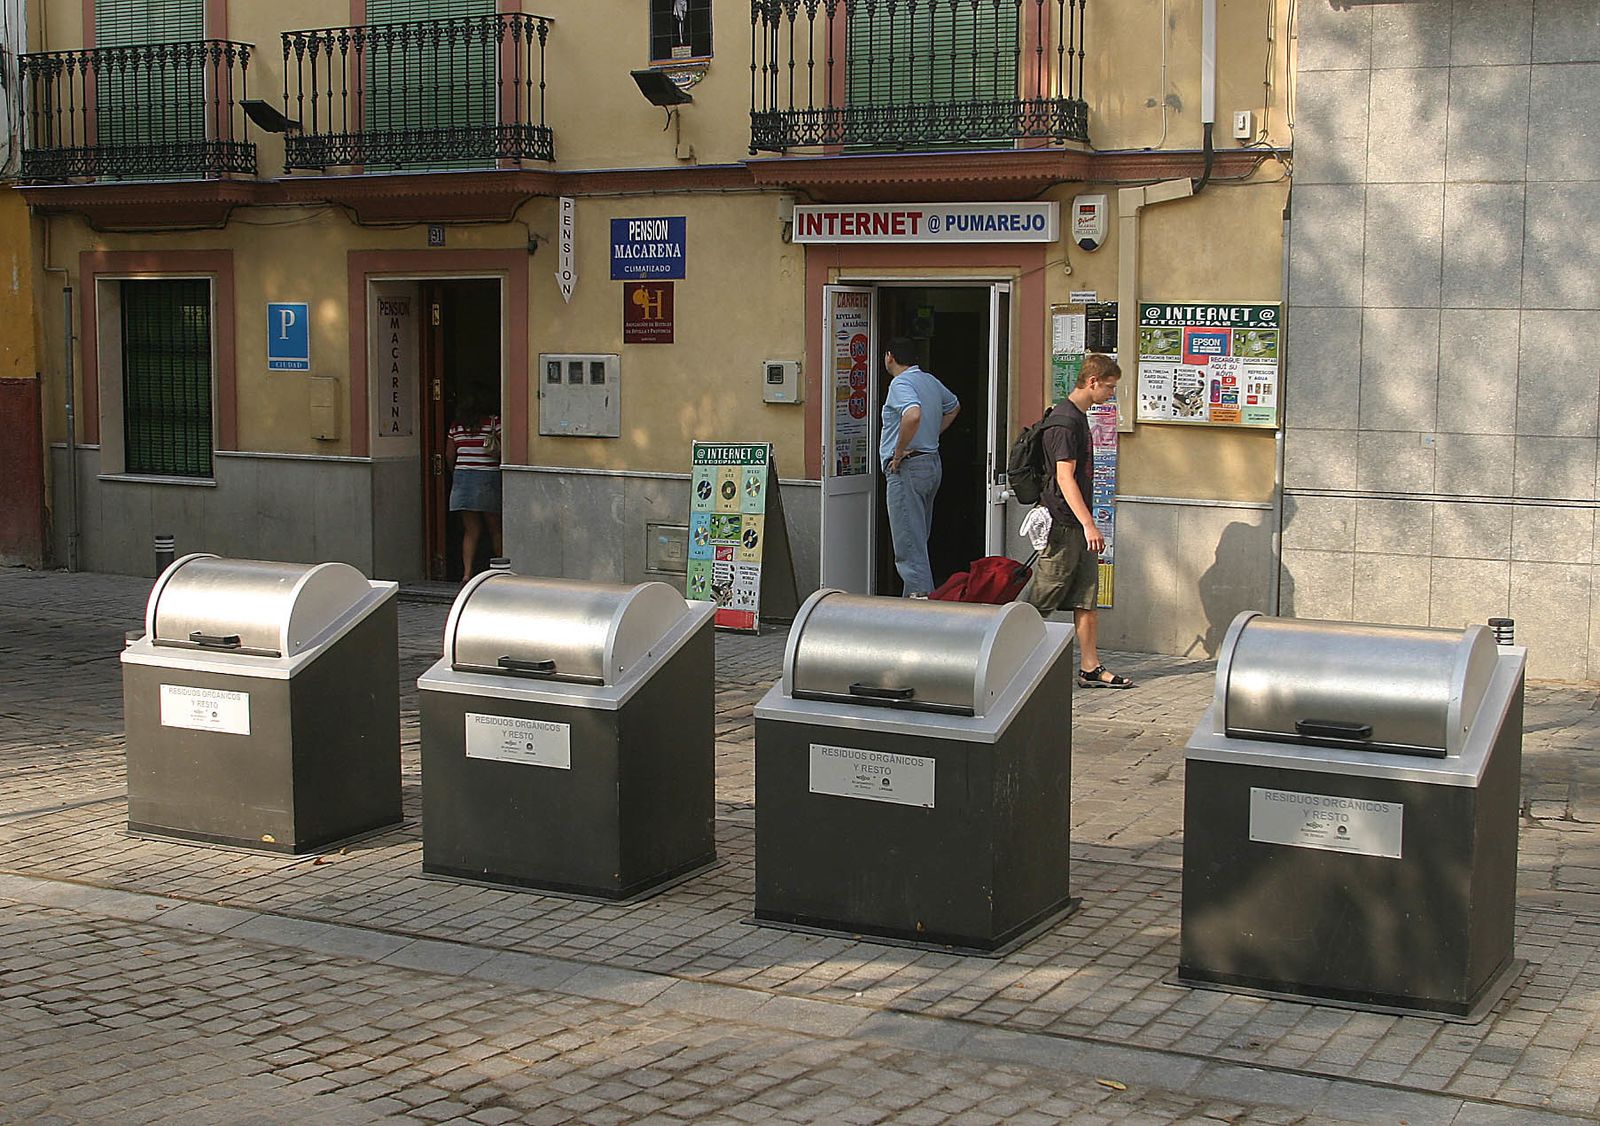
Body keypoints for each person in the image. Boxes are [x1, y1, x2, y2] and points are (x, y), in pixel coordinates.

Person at [1023, 353, 1134, 688]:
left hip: (1078, 525)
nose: (1111, 394)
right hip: (1064, 525)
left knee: (1087, 598)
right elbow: (1065, 478)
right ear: (1092, 382)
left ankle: (1090, 666)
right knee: (1042, 599)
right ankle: (1012, 662)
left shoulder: (1077, 417)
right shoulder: (1064, 422)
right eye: (1110, 387)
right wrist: (1088, 523)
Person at [880, 336, 959, 597]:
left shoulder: (900, 384)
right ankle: (911, 604)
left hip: (908, 468)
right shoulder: (929, 381)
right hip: (930, 463)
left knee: (908, 545)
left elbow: (912, 413)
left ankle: (922, 608)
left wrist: (899, 451)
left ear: (890, 356)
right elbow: (953, 406)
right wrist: (932, 434)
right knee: (917, 538)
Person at [446, 387, 503, 580]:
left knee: (471, 531)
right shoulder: (494, 423)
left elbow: (449, 455)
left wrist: (458, 471)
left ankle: (467, 573)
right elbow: (503, 451)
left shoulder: (456, 427)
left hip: (462, 478)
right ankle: (500, 571)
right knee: (495, 528)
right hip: (488, 477)